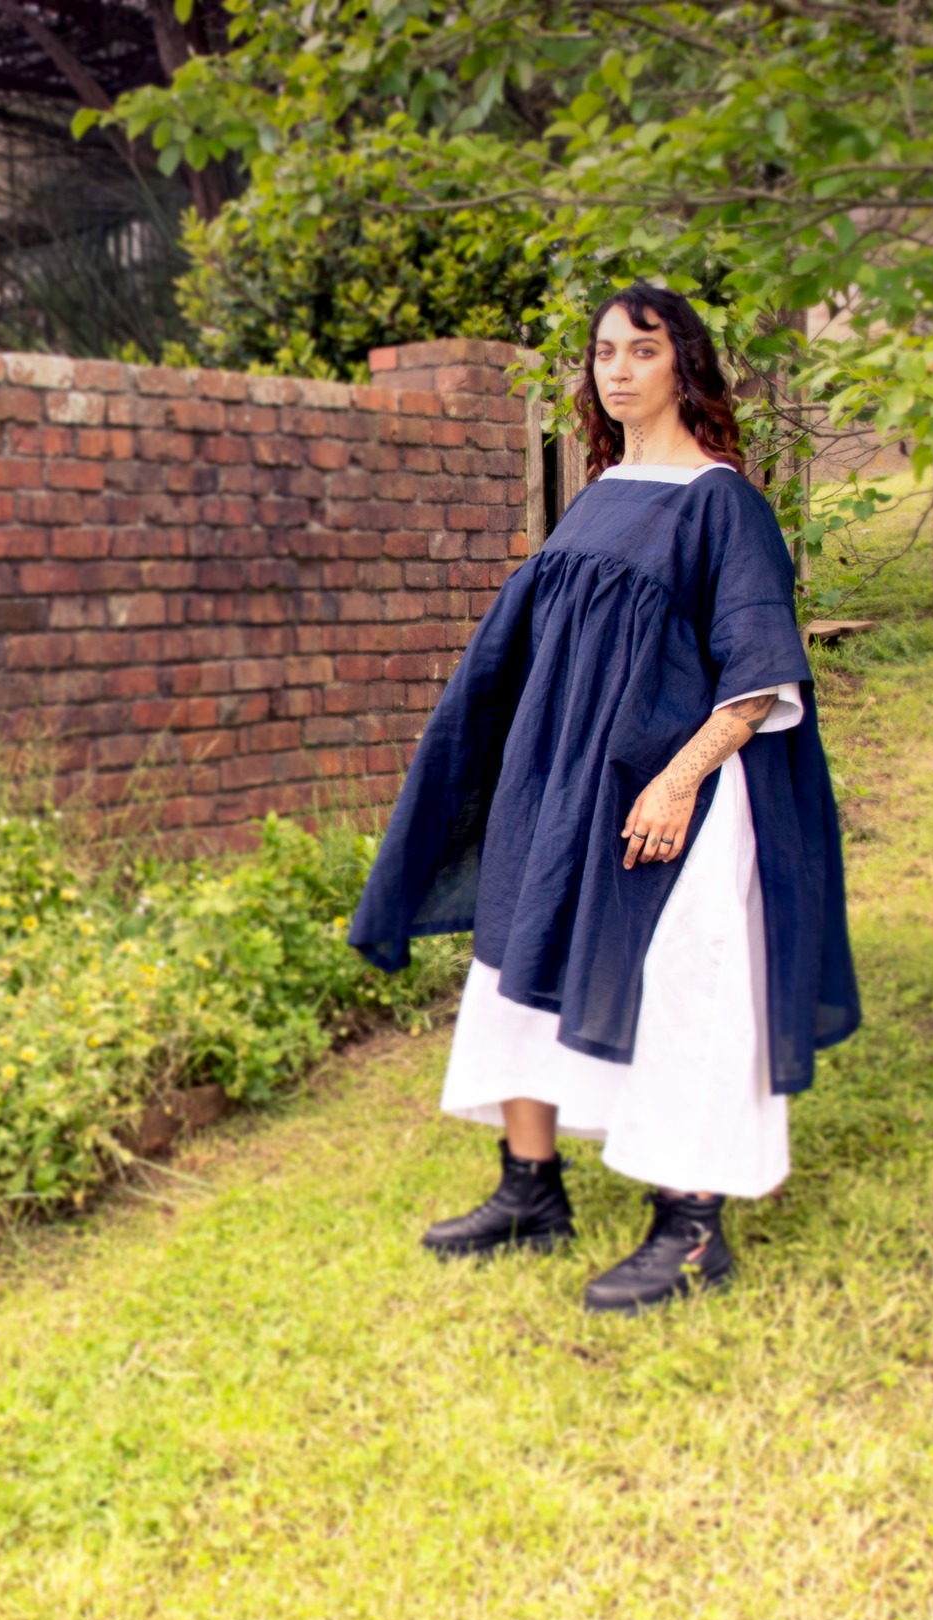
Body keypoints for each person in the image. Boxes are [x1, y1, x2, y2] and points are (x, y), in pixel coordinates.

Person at [350, 283, 859, 1313]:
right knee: (517, 964)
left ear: (686, 367)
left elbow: (760, 674)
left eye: (641, 350)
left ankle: (689, 1229)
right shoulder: (601, 491)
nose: (617, 370)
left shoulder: (722, 502)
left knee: (682, 990)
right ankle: (530, 1190)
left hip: (677, 798)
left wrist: (676, 782)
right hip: (570, 785)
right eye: (603, 354)